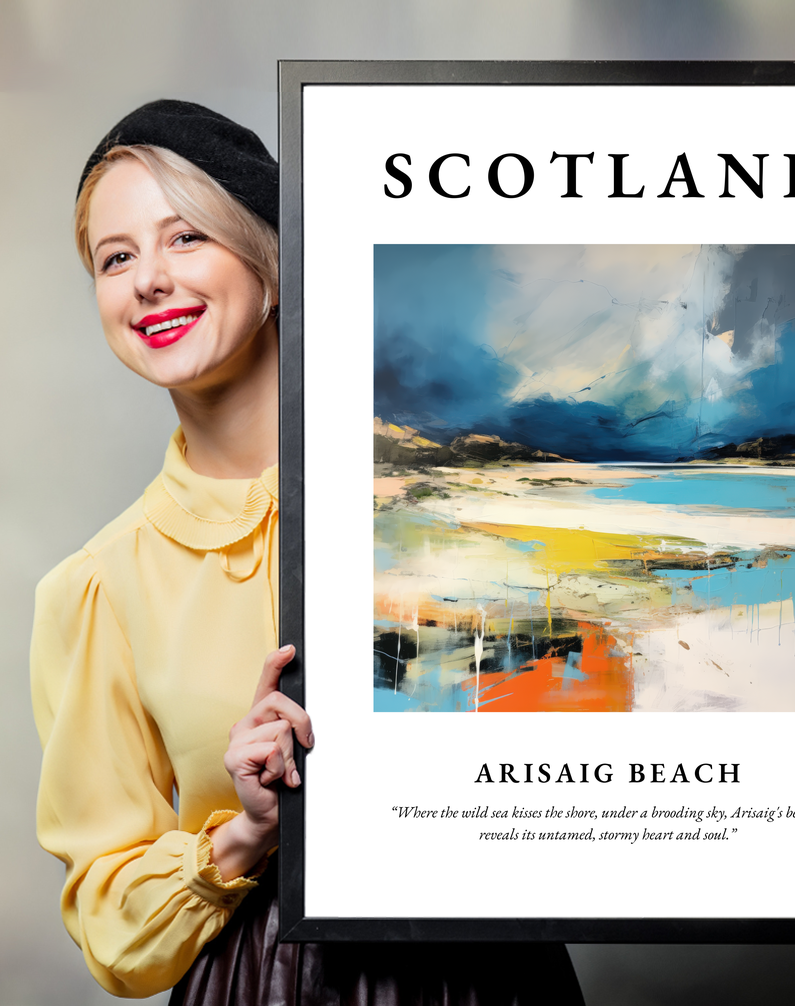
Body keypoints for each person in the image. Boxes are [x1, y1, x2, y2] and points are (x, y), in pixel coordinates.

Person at [30, 100, 586, 1004]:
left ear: (273, 263)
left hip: (492, 973)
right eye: (116, 257)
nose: (148, 281)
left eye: (185, 238)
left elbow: (617, 699)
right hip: (262, 982)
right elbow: (110, 922)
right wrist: (245, 832)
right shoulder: (97, 587)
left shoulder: (456, 497)